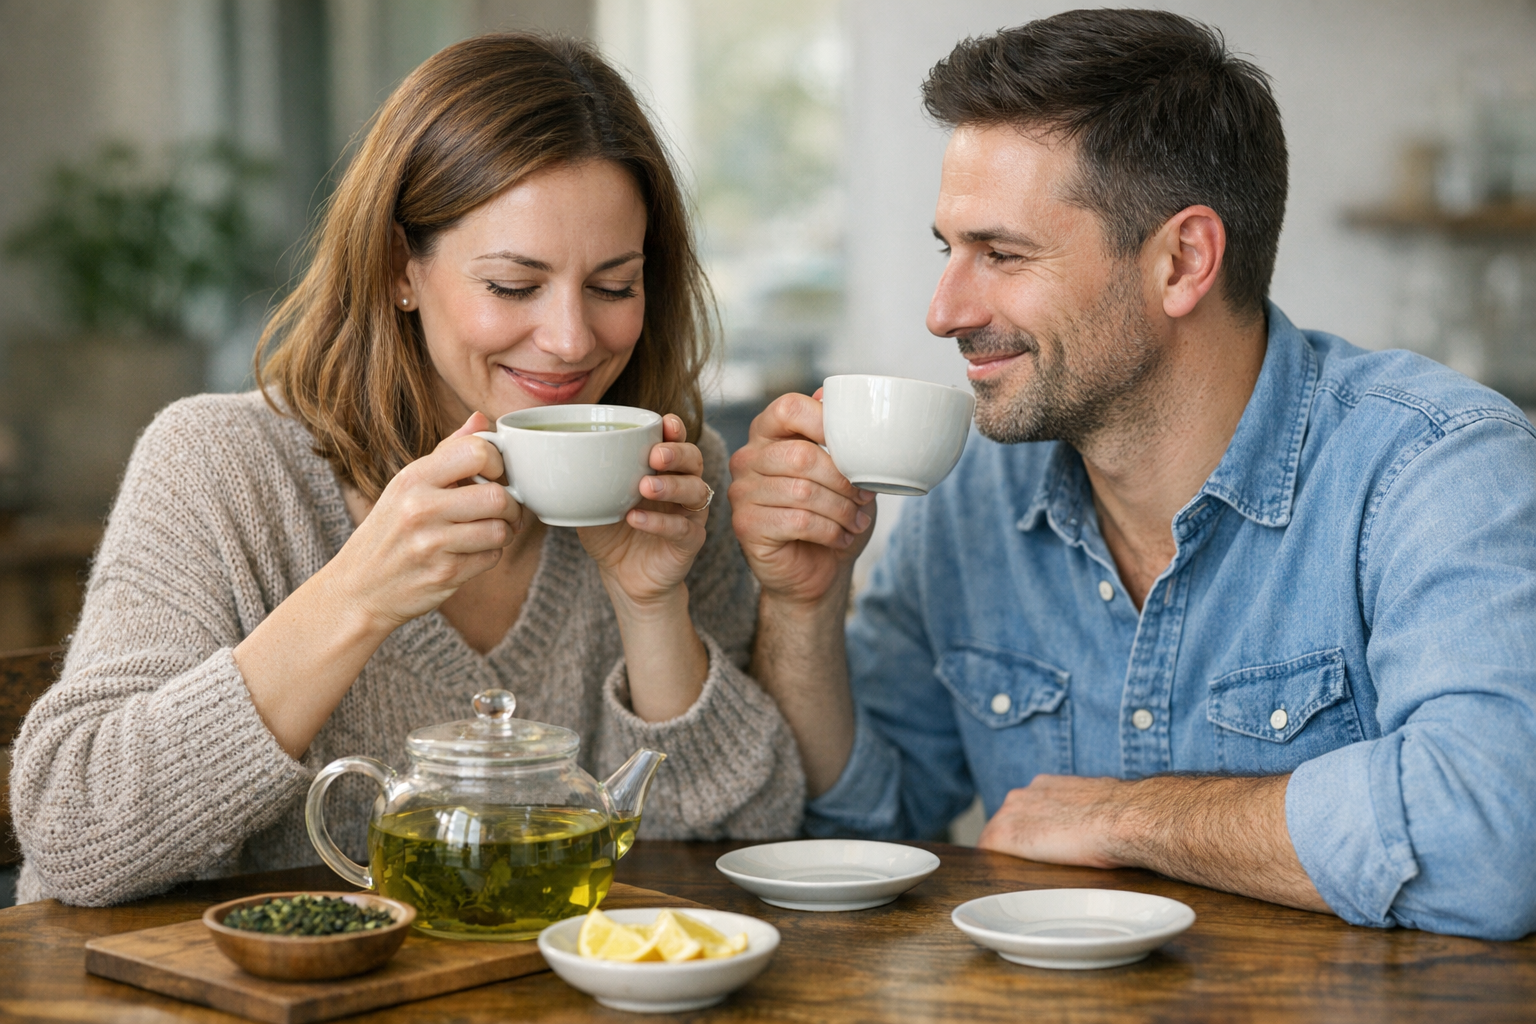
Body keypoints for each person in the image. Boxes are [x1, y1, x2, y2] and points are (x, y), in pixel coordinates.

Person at [729, 10, 1536, 940]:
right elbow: (862, 823)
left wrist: (1127, 817)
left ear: (1182, 261)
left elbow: (1493, 837)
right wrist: (801, 605)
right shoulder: (975, 498)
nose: (943, 311)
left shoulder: (1438, 468)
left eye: (1001, 254)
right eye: (948, 251)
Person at [12, 34, 803, 907]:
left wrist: (652, 607)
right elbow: (73, 831)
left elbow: (745, 848)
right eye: (513, 286)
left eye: (614, 286)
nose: (572, 339)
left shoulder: (673, 481)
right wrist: (358, 593)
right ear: (400, 270)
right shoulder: (220, 465)